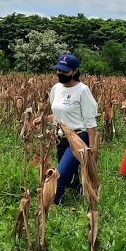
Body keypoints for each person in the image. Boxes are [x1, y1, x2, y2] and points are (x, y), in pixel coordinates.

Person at [35, 52, 98, 204]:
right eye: (59, 70)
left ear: (75, 71)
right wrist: (44, 119)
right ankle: (76, 199)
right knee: (70, 175)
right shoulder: (56, 88)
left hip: (78, 138)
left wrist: (92, 148)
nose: (60, 73)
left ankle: (58, 211)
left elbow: (90, 122)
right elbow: (59, 115)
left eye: (64, 71)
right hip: (59, 138)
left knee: (58, 177)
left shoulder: (82, 90)